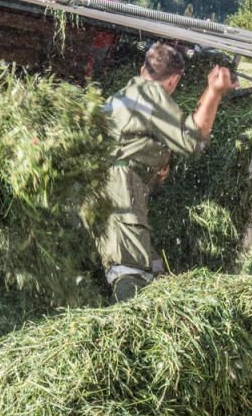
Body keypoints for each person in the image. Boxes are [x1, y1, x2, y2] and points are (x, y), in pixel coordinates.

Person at [98, 42, 238, 302]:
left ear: (143, 68)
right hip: (120, 185)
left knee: (150, 262)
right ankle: (127, 328)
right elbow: (193, 139)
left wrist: (156, 160)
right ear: (174, 80)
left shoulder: (125, 93)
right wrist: (214, 91)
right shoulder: (152, 95)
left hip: (105, 181)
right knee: (130, 267)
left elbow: (132, 138)